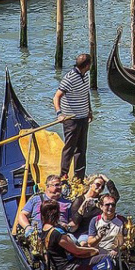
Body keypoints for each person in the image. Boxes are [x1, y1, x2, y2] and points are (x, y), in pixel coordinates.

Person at [53, 52, 93, 180]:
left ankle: (79, 177)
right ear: (87, 65)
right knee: (69, 148)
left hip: (83, 117)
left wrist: (89, 111)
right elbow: (56, 97)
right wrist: (59, 114)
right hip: (71, 120)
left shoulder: (85, 76)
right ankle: (63, 175)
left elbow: (86, 93)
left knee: (81, 149)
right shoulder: (69, 78)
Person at [40, 200, 102, 270]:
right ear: (56, 214)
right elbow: (77, 251)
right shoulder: (57, 233)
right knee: (105, 258)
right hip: (66, 268)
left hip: (57, 267)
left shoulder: (44, 229)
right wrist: (95, 250)